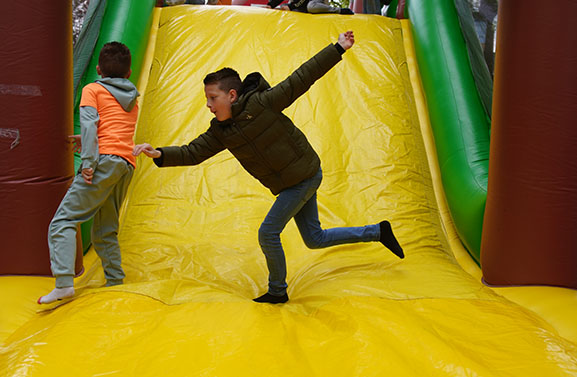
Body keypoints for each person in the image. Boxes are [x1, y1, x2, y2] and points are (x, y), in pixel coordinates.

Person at [133, 31, 403, 304]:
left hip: (304, 176)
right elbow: (193, 152)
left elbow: (301, 78)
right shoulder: (222, 131)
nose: (208, 105)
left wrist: (338, 48)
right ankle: (378, 231)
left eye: (213, 98)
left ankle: (277, 291)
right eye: (207, 99)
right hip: (290, 182)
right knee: (314, 238)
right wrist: (159, 153)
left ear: (232, 95)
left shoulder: (262, 103)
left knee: (268, 232)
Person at [38, 42, 140, 304]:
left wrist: (87, 163)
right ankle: (115, 280)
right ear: (128, 73)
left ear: (98, 69)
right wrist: (90, 143)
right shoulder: (131, 98)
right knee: (106, 228)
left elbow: (90, 124)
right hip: (125, 164)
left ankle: (63, 283)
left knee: (63, 221)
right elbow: (114, 131)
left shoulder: (92, 89)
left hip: (103, 161)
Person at [268, 0, 354, 15]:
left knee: (311, 7)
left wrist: (291, 6)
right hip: (300, 6)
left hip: (314, 1)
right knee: (283, 8)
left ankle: (339, 10)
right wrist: (271, 5)